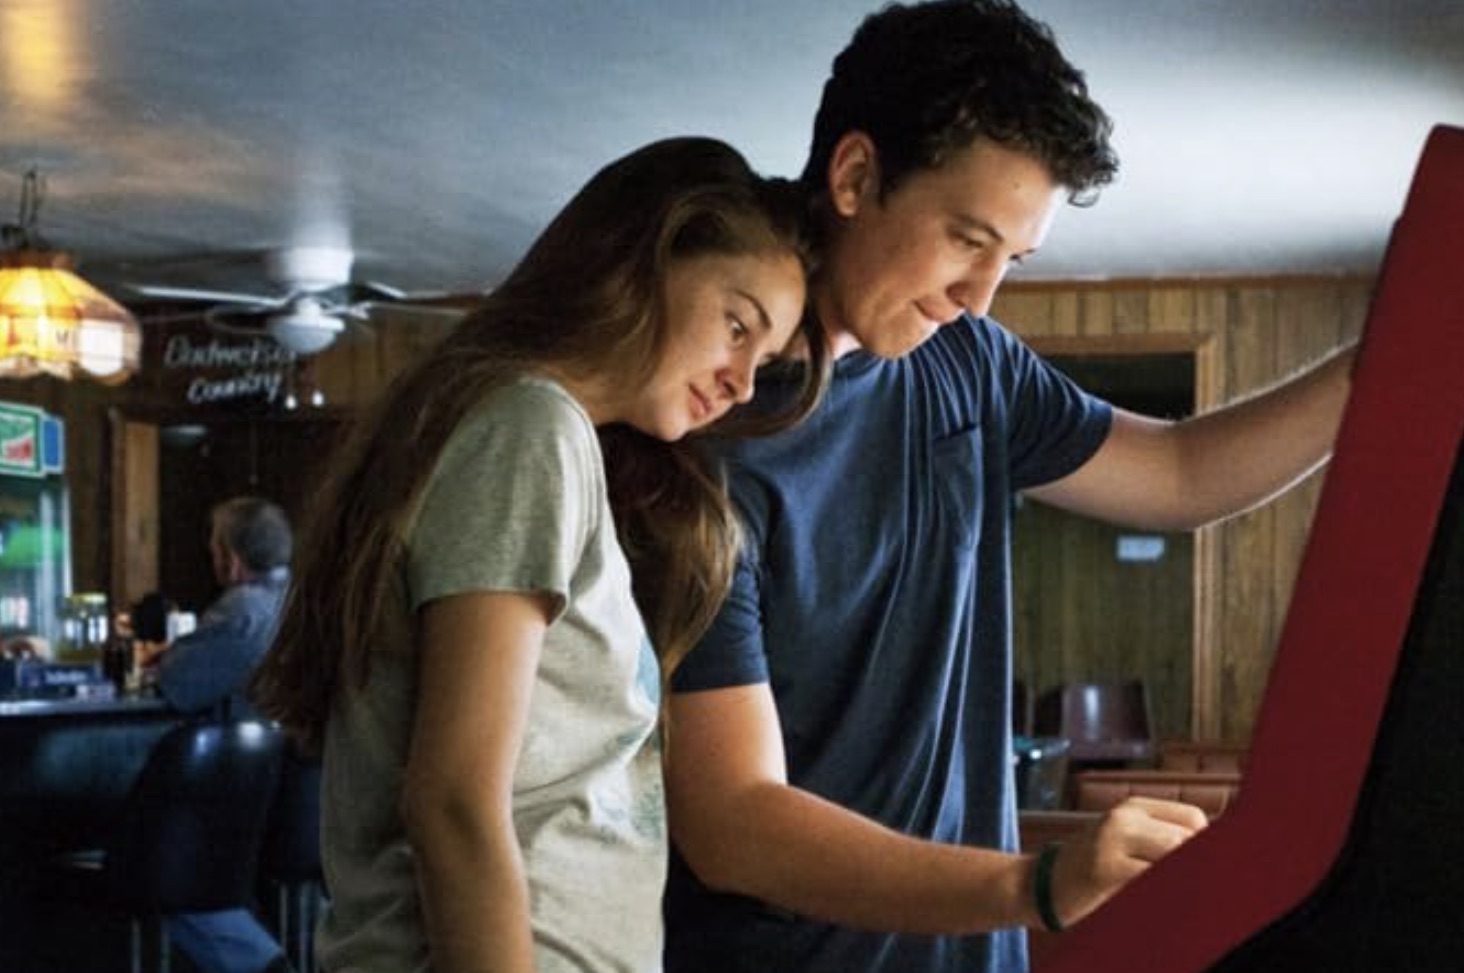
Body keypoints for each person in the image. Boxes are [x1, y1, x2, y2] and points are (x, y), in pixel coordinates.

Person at [662, 3, 1357, 972]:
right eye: (963, 239)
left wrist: (1388, 367)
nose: (979, 298)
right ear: (855, 176)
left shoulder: (971, 364)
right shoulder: (697, 431)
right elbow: (733, 822)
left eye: (1011, 261)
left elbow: (1182, 470)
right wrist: (1032, 886)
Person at [250, 136, 827, 973]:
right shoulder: (529, 428)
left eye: (763, 358)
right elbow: (452, 798)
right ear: (646, 260)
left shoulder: (529, 430)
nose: (742, 381)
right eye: (738, 324)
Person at [134, 496, 295, 973]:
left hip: (241, 802)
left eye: (214, 548)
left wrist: (166, 657)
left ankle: (267, 964)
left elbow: (178, 684)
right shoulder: (303, 599)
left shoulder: (245, 609)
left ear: (231, 557)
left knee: (171, 875)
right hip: (302, 797)